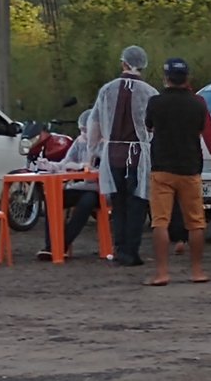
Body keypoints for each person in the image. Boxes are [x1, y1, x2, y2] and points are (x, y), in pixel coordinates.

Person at [144, 58, 211, 286]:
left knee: (160, 222)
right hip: (189, 168)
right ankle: (196, 271)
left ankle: (162, 273)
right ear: (188, 78)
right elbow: (200, 128)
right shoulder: (198, 104)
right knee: (195, 222)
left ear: (166, 78)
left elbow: (149, 126)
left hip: (162, 168)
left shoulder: (155, 102)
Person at [87, 45, 160, 267]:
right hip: (138, 155)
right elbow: (154, 127)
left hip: (113, 154)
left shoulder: (107, 90)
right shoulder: (149, 92)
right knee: (137, 203)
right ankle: (131, 250)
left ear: (124, 63)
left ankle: (119, 248)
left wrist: (93, 151)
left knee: (118, 204)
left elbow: (95, 123)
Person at [34, 108, 100, 261]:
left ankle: (61, 244)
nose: (84, 134)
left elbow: (102, 169)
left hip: (98, 190)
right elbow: (65, 163)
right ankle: (51, 246)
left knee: (87, 202)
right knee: (53, 199)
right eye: (82, 130)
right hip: (80, 186)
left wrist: (82, 167)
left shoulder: (104, 144)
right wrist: (50, 166)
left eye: (87, 129)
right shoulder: (79, 142)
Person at [168, 78, 211, 255]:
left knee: (172, 198)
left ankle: (178, 236)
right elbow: (208, 127)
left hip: (166, 156)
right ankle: (192, 234)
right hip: (191, 155)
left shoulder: (162, 101)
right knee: (191, 198)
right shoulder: (197, 102)